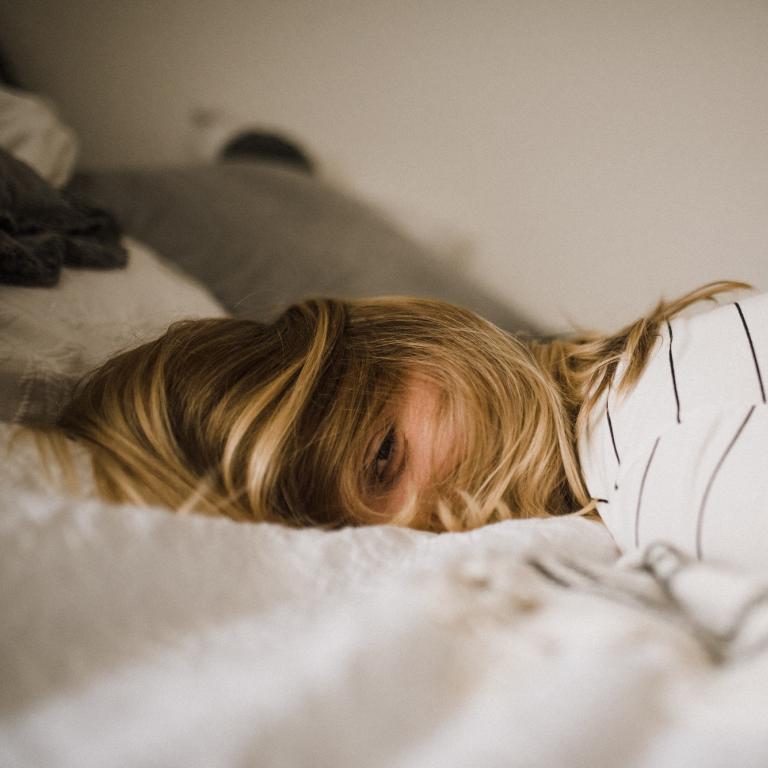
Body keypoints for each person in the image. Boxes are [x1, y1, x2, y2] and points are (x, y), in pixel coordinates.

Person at [32, 279, 768, 567]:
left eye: (384, 457)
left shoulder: (666, 470)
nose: (422, 527)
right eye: (362, 539)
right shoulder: (656, 368)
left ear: (422, 336)